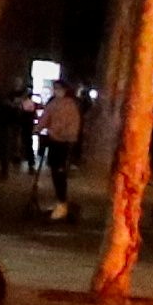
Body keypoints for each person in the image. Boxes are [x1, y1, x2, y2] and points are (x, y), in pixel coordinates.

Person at [42, 82, 84, 218]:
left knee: (59, 172)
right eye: (55, 89)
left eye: (58, 89)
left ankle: (62, 202)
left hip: (63, 142)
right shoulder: (55, 103)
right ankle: (60, 201)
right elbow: (46, 117)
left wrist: (55, 131)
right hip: (56, 141)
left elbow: (67, 123)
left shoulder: (68, 105)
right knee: (56, 171)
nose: (56, 91)